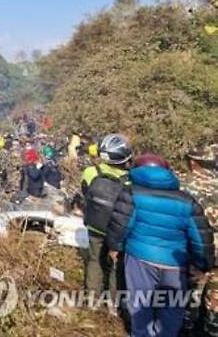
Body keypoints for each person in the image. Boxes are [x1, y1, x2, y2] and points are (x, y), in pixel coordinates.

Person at [106, 154, 215, 337]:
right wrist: (202, 264)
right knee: (171, 310)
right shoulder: (186, 200)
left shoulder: (132, 193)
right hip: (174, 263)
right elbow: (201, 236)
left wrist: (114, 247)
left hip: (140, 258)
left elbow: (121, 225)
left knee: (141, 305)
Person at [81, 133, 132, 297]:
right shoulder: (131, 179)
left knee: (94, 260)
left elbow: (85, 193)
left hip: (94, 225)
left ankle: (92, 296)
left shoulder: (90, 172)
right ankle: (113, 302)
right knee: (116, 265)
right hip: (118, 230)